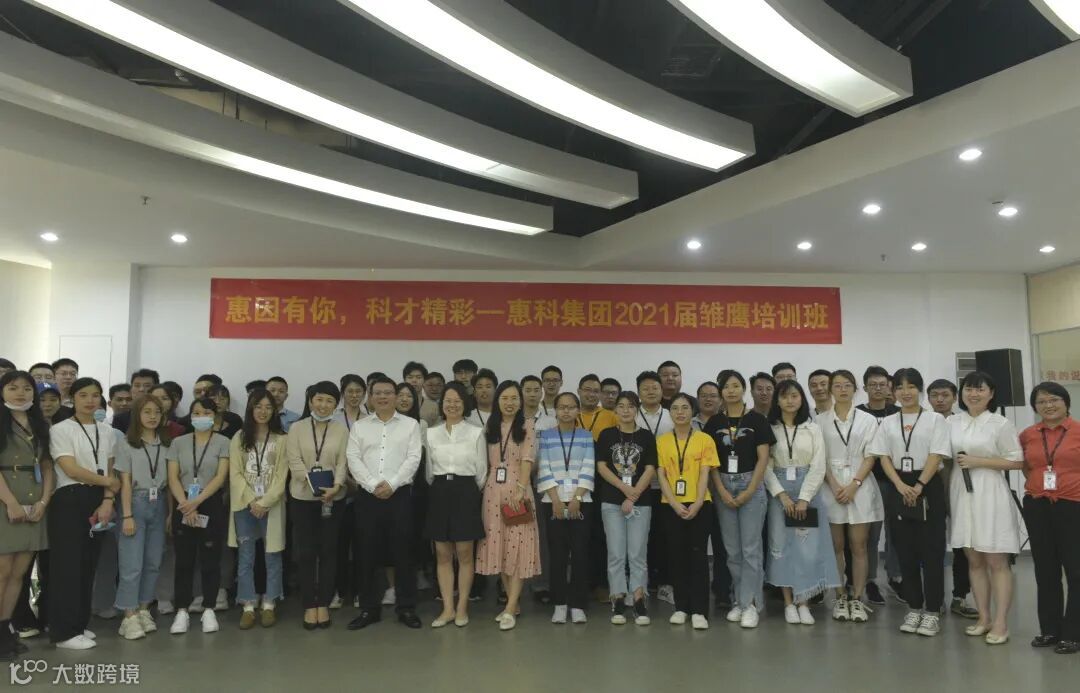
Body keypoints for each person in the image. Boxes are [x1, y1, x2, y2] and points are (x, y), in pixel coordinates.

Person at [867, 368, 950, 637]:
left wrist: (919, 485)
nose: (905, 392)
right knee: (905, 550)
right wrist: (900, 485)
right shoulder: (888, 422)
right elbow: (883, 457)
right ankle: (914, 607)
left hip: (928, 485)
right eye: (900, 387)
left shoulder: (935, 420)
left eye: (911, 386)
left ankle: (932, 611)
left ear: (920, 390)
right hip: (898, 486)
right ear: (893, 391)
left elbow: (937, 455)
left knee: (932, 551)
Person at [947, 371, 1022, 644]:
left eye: (980, 389)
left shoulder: (1000, 423)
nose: (973, 394)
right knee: (974, 560)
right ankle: (984, 617)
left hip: (990, 493)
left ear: (991, 394)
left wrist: (979, 461)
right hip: (961, 491)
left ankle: (1001, 623)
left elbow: (1016, 461)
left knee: (996, 561)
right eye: (969, 388)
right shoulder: (952, 422)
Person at [47, 377, 118, 650]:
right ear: (72, 399)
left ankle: (79, 624)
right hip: (70, 498)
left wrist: (108, 499)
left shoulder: (107, 431)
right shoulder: (61, 429)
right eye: (83, 395)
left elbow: (110, 468)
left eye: (95, 395)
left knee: (89, 564)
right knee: (68, 566)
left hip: (98, 498)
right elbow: (70, 468)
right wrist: (108, 483)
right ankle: (63, 633)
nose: (90, 400)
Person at [346, 377, 422, 630]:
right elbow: (353, 458)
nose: (382, 397)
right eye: (377, 393)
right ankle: (369, 608)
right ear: (370, 397)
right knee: (366, 552)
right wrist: (371, 484)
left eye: (388, 393)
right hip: (368, 497)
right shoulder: (360, 427)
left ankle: (407, 607)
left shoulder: (410, 425)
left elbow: (413, 458)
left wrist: (392, 484)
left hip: (400, 496)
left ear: (396, 396)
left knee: (404, 553)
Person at [765, 380, 840, 626]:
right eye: (785, 396)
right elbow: (764, 466)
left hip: (808, 492)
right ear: (777, 400)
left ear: (801, 399)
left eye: (794, 395)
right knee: (781, 546)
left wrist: (804, 498)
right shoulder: (770, 428)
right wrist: (782, 495)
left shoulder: (812, 428)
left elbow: (819, 465)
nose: (790, 400)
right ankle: (788, 603)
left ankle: (803, 602)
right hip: (779, 494)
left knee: (807, 549)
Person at [704, 370, 774, 629]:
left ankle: (752, 603)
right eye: (726, 387)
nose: (731, 391)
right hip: (723, 485)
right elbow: (711, 462)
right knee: (732, 551)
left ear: (744, 389)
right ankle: (740, 600)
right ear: (721, 392)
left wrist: (750, 490)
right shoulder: (714, 422)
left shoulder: (757, 420)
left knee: (751, 549)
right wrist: (721, 491)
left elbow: (763, 459)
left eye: (736, 386)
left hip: (750, 484)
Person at [818, 370, 883, 623]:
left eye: (847, 385)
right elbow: (819, 458)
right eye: (837, 385)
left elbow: (871, 455)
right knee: (836, 546)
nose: (843, 389)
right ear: (831, 390)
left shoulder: (868, 420)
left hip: (860, 484)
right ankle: (840, 596)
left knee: (859, 545)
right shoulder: (820, 421)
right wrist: (835, 485)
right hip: (831, 486)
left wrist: (854, 484)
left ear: (855, 389)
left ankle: (857, 597)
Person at [1020, 382, 1080, 655]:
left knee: (1076, 570)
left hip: (1073, 506)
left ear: (1066, 402)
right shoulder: (1028, 435)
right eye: (1042, 402)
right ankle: (1050, 630)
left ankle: (1073, 633)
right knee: (1045, 570)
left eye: (1054, 399)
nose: (1048, 405)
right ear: (1035, 407)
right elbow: (1027, 467)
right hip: (1038, 505)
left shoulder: (1077, 431)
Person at [476, 381, 541, 631]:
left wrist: (521, 489)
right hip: (493, 492)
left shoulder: (527, 425)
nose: (510, 402)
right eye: (505, 398)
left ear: (520, 401)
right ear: (497, 401)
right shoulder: (490, 426)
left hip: (517, 491)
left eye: (514, 398)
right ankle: (512, 605)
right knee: (500, 547)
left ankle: (510, 607)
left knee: (518, 547)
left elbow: (527, 459)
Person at [423, 382, 486, 628]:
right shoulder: (431, 433)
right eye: (448, 400)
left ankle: (462, 608)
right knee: (442, 554)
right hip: (439, 491)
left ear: (465, 404)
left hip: (466, 491)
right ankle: (448, 608)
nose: (452, 405)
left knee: (465, 553)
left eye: (457, 401)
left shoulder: (476, 432)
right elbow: (429, 472)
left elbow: (481, 473)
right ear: (442, 404)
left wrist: (466, 491)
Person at [0, 371, 53, 659]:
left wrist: (44, 501)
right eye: (13, 388)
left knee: (19, 573)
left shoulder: (39, 423)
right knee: (2, 572)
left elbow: (46, 466)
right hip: (6, 501)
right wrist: (10, 503)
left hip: (34, 502)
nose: (20, 393)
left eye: (26, 388)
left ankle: (4, 630)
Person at [166, 398, 231, 635]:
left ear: (214, 416)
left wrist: (197, 501)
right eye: (196, 412)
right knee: (184, 560)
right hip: (182, 502)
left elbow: (220, 477)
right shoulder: (179, 442)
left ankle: (209, 608)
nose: (201, 416)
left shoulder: (223, 442)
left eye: (206, 412)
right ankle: (182, 610)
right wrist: (186, 504)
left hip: (209, 501)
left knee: (210, 560)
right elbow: (173, 477)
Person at [286, 382, 347, 629]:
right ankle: (309, 604)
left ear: (336, 404)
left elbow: (343, 462)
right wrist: (313, 484)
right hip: (303, 499)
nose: (323, 405)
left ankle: (324, 603)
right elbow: (294, 461)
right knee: (306, 552)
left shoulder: (341, 430)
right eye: (319, 399)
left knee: (329, 552)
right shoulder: (296, 428)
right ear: (311, 401)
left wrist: (337, 486)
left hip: (333, 499)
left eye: (329, 401)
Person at [656, 393, 717, 629]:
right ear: (670, 412)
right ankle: (681, 607)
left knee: (698, 557)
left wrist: (698, 502)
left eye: (685, 408)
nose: (680, 412)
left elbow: (705, 473)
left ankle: (700, 610)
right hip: (671, 506)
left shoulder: (704, 439)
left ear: (693, 411)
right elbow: (661, 474)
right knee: (677, 556)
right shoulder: (662, 441)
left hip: (700, 504)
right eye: (675, 408)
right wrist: (673, 503)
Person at [113, 394, 171, 640]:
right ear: (137, 414)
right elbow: (124, 483)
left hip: (160, 504)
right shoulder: (127, 444)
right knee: (131, 564)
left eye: (157, 412)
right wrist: (127, 515)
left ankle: (144, 608)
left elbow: (172, 482)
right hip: (135, 503)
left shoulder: (167, 444)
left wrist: (170, 514)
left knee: (153, 562)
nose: (152, 417)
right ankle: (128, 615)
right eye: (147, 412)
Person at [595, 392, 655, 626]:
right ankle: (618, 598)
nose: (626, 410)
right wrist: (623, 488)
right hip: (612, 500)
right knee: (616, 553)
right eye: (621, 406)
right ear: (615, 410)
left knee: (637, 553)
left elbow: (650, 468)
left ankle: (639, 598)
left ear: (637, 409)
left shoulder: (646, 436)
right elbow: (602, 466)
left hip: (641, 501)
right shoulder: (607, 434)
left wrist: (634, 493)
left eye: (630, 406)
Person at [230, 389, 287, 630]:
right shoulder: (239, 437)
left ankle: (270, 603)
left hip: (271, 505)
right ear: (250, 409)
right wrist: (252, 500)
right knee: (246, 556)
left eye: (268, 407)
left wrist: (265, 502)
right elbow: (235, 473)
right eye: (258, 406)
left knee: (272, 554)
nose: (263, 411)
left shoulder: (281, 439)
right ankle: (248, 604)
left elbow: (282, 475)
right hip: (245, 505)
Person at [537, 392, 594, 625]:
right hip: (553, 502)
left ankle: (578, 604)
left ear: (578, 410)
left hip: (582, 501)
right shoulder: (547, 436)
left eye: (571, 407)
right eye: (562, 407)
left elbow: (588, 467)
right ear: (556, 411)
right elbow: (544, 467)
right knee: (557, 555)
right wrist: (556, 500)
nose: (566, 411)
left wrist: (577, 497)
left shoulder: (586, 436)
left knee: (580, 554)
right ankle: (559, 604)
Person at [928, 378, 978, 618]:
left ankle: (960, 597)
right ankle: (934, 599)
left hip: (958, 484)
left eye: (945, 395)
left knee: (962, 544)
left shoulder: (963, 423)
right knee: (933, 545)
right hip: (930, 486)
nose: (940, 400)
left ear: (955, 397)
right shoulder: (923, 422)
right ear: (928, 398)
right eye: (934, 395)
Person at [857, 365, 901, 606]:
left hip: (895, 481)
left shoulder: (898, 413)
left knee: (897, 533)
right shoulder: (858, 414)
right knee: (870, 535)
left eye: (882, 384)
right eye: (872, 385)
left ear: (889, 387)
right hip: (867, 481)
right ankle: (871, 580)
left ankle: (895, 577)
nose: (877, 388)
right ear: (864, 388)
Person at [577, 374, 617, 442]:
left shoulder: (612, 417)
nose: (591, 394)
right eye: (587, 390)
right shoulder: (570, 415)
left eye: (596, 391)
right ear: (579, 391)